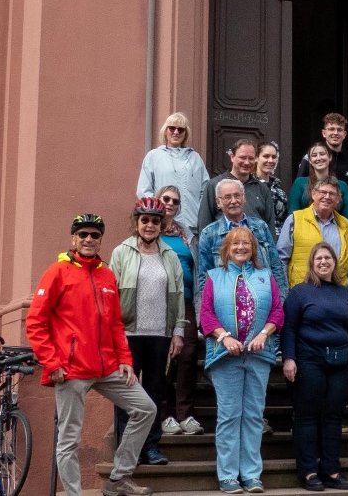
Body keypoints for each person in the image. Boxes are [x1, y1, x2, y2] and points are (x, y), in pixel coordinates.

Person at [26, 213, 156, 496]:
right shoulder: (57, 272)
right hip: (70, 369)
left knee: (146, 409)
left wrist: (125, 360)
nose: (88, 239)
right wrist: (52, 362)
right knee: (69, 439)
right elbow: (35, 322)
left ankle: (118, 478)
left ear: (100, 241)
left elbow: (115, 324)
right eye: (83, 234)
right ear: (73, 238)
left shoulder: (106, 274)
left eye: (94, 235)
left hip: (107, 366)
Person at [199, 226, 285, 494]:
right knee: (229, 416)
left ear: (253, 248)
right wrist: (225, 337)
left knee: (253, 416)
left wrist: (263, 334)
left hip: (258, 355)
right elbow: (206, 315)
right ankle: (227, 476)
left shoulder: (265, 275)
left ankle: (251, 475)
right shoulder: (214, 276)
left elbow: (277, 312)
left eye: (246, 243)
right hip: (226, 356)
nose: (241, 248)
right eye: (235, 244)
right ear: (226, 248)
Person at [282, 244, 348, 492]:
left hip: (339, 363)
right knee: (307, 417)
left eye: (327, 258)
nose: (323, 262)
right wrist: (289, 358)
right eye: (318, 258)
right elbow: (289, 328)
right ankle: (308, 471)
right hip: (308, 362)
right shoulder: (300, 293)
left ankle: (331, 470)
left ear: (334, 262)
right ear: (312, 263)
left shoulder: (344, 294)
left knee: (333, 417)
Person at [110, 198, 188, 466]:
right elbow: (110, 296)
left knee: (155, 392)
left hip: (160, 335)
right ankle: (127, 451)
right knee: (126, 395)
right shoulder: (122, 252)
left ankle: (151, 447)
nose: (150, 225)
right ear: (136, 222)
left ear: (161, 224)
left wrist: (178, 331)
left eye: (155, 221)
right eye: (145, 220)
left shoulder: (169, 255)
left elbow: (178, 296)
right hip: (128, 335)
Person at [157, 187, 206, 437]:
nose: (170, 204)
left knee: (188, 355)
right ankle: (165, 415)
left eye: (175, 201)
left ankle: (185, 414)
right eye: (165, 199)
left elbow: (196, 267)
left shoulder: (186, 234)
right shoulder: (150, 231)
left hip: (186, 302)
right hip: (158, 303)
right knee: (164, 357)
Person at [197, 178, 281, 294]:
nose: (233, 201)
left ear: (244, 198)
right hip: (225, 303)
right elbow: (204, 277)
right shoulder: (209, 234)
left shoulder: (261, 227)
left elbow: (276, 268)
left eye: (237, 196)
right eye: (227, 197)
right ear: (218, 203)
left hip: (262, 299)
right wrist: (205, 310)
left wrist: (280, 302)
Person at [136, 112, 210, 237]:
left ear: (185, 133)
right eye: (172, 128)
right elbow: (144, 191)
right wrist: (156, 214)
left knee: (188, 256)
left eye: (181, 129)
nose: (176, 132)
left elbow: (206, 189)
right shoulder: (154, 156)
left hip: (192, 226)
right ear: (165, 131)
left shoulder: (195, 158)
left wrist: (199, 214)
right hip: (163, 225)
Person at [278, 178, 348, 288]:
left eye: (332, 194)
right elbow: (281, 260)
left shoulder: (346, 225)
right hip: (302, 293)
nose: (327, 197)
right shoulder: (295, 220)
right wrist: (284, 295)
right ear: (313, 194)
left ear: (338, 199)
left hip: (336, 294)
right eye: (323, 192)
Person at [198, 139, 276, 231]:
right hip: (223, 244)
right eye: (242, 157)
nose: (247, 162)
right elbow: (204, 224)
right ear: (232, 157)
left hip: (256, 243)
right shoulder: (214, 185)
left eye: (251, 158)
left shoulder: (262, 188)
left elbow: (270, 227)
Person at [290, 141, 348, 218]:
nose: (318, 158)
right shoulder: (300, 183)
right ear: (310, 161)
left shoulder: (342, 186)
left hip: (334, 228)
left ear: (330, 157)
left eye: (322, 154)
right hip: (305, 228)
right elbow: (292, 215)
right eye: (314, 155)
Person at [295, 112, 348, 186]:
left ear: (345, 134)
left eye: (339, 130)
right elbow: (300, 185)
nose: (335, 133)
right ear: (324, 133)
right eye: (331, 129)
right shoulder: (312, 157)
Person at [255, 141, 289, 222]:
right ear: (256, 157)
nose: (270, 160)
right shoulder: (249, 184)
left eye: (274, 157)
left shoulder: (278, 188)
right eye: (266, 156)